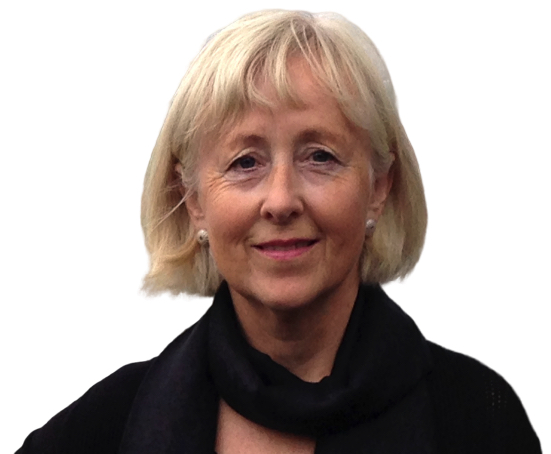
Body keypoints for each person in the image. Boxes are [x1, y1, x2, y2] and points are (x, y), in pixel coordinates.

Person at [16, 9, 541, 454]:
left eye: (320, 156)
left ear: (379, 187)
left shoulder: (481, 421)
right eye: (245, 162)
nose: (282, 200)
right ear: (193, 200)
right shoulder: (99, 432)